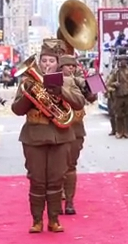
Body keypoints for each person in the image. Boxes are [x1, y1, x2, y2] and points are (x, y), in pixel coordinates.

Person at [10, 39, 86, 233]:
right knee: (36, 180)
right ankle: (37, 220)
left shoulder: (67, 80)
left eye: (51, 61)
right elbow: (16, 110)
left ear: (57, 63)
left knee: (56, 180)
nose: (47, 65)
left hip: (61, 137)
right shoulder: (28, 82)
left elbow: (79, 102)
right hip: (34, 136)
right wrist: (28, 97)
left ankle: (53, 220)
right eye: (43, 61)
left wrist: (61, 91)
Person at [60, 54, 97, 215]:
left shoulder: (80, 81)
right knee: (58, 166)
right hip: (58, 128)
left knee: (71, 165)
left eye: (73, 66)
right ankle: (58, 195)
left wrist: (93, 81)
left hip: (76, 128)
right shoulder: (55, 81)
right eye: (68, 65)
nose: (71, 68)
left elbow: (93, 98)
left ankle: (69, 201)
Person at [106, 57, 128, 138]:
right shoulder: (116, 72)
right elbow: (108, 83)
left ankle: (126, 131)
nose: (123, 62)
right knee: (118, 114)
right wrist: (114, 84)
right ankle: (119, 131)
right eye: (121, 60)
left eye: (124, 60)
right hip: (118, 96)